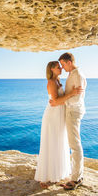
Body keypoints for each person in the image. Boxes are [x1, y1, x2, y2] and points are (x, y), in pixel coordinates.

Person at [34, 61, 83, 189]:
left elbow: (58, 101)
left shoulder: (58, 81)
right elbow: (55, 101)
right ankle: (44, 177)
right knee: (50, 143)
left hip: (59, 114)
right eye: (57, 67)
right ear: (51, 69)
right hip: (52, 116)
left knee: (59, 142)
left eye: (60, 66)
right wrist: (72, 94)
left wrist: (65, 99)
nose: (60, 68)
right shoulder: (51, 82)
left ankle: (56, 173)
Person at [50, 53, 87, 190]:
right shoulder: (73, 74)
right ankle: (76, 174)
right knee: (73, 143)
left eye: (63, 64)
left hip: (73, 112)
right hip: (71, 110)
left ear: (69, 62)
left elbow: (76, 99)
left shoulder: (77, 75)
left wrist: (60, 101)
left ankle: (76, 178)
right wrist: (57, 101)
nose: (63, 67)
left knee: (75, 145)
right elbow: (72, 95)